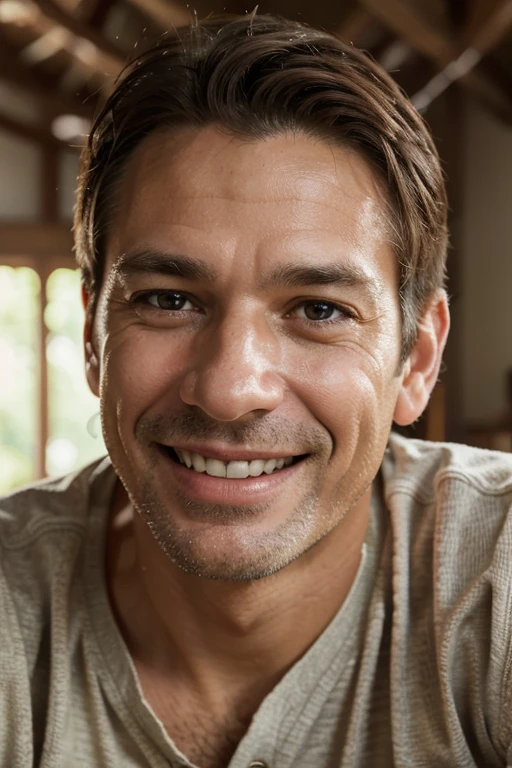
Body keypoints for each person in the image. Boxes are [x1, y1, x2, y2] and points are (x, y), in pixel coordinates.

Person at [1, 12, 512, 768]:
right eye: (169, 299)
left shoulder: (492, 578)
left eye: (318, 310)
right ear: (92, 336)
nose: (231, 389)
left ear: (416, 360)